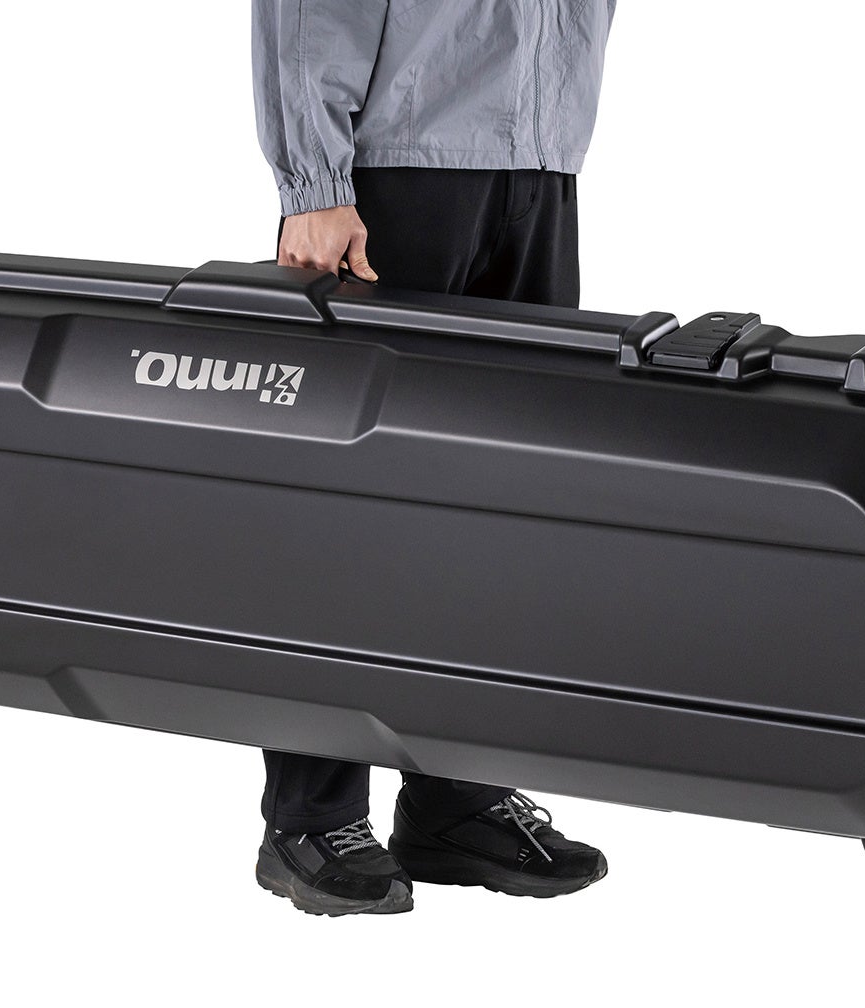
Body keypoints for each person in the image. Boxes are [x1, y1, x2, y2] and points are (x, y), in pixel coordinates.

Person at [252, 0, 619, 916]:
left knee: (502, 508)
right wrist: (314, 182)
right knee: (349, 508)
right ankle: (312, 816)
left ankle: (459, 796)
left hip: (541, 163)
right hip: (392, 166)